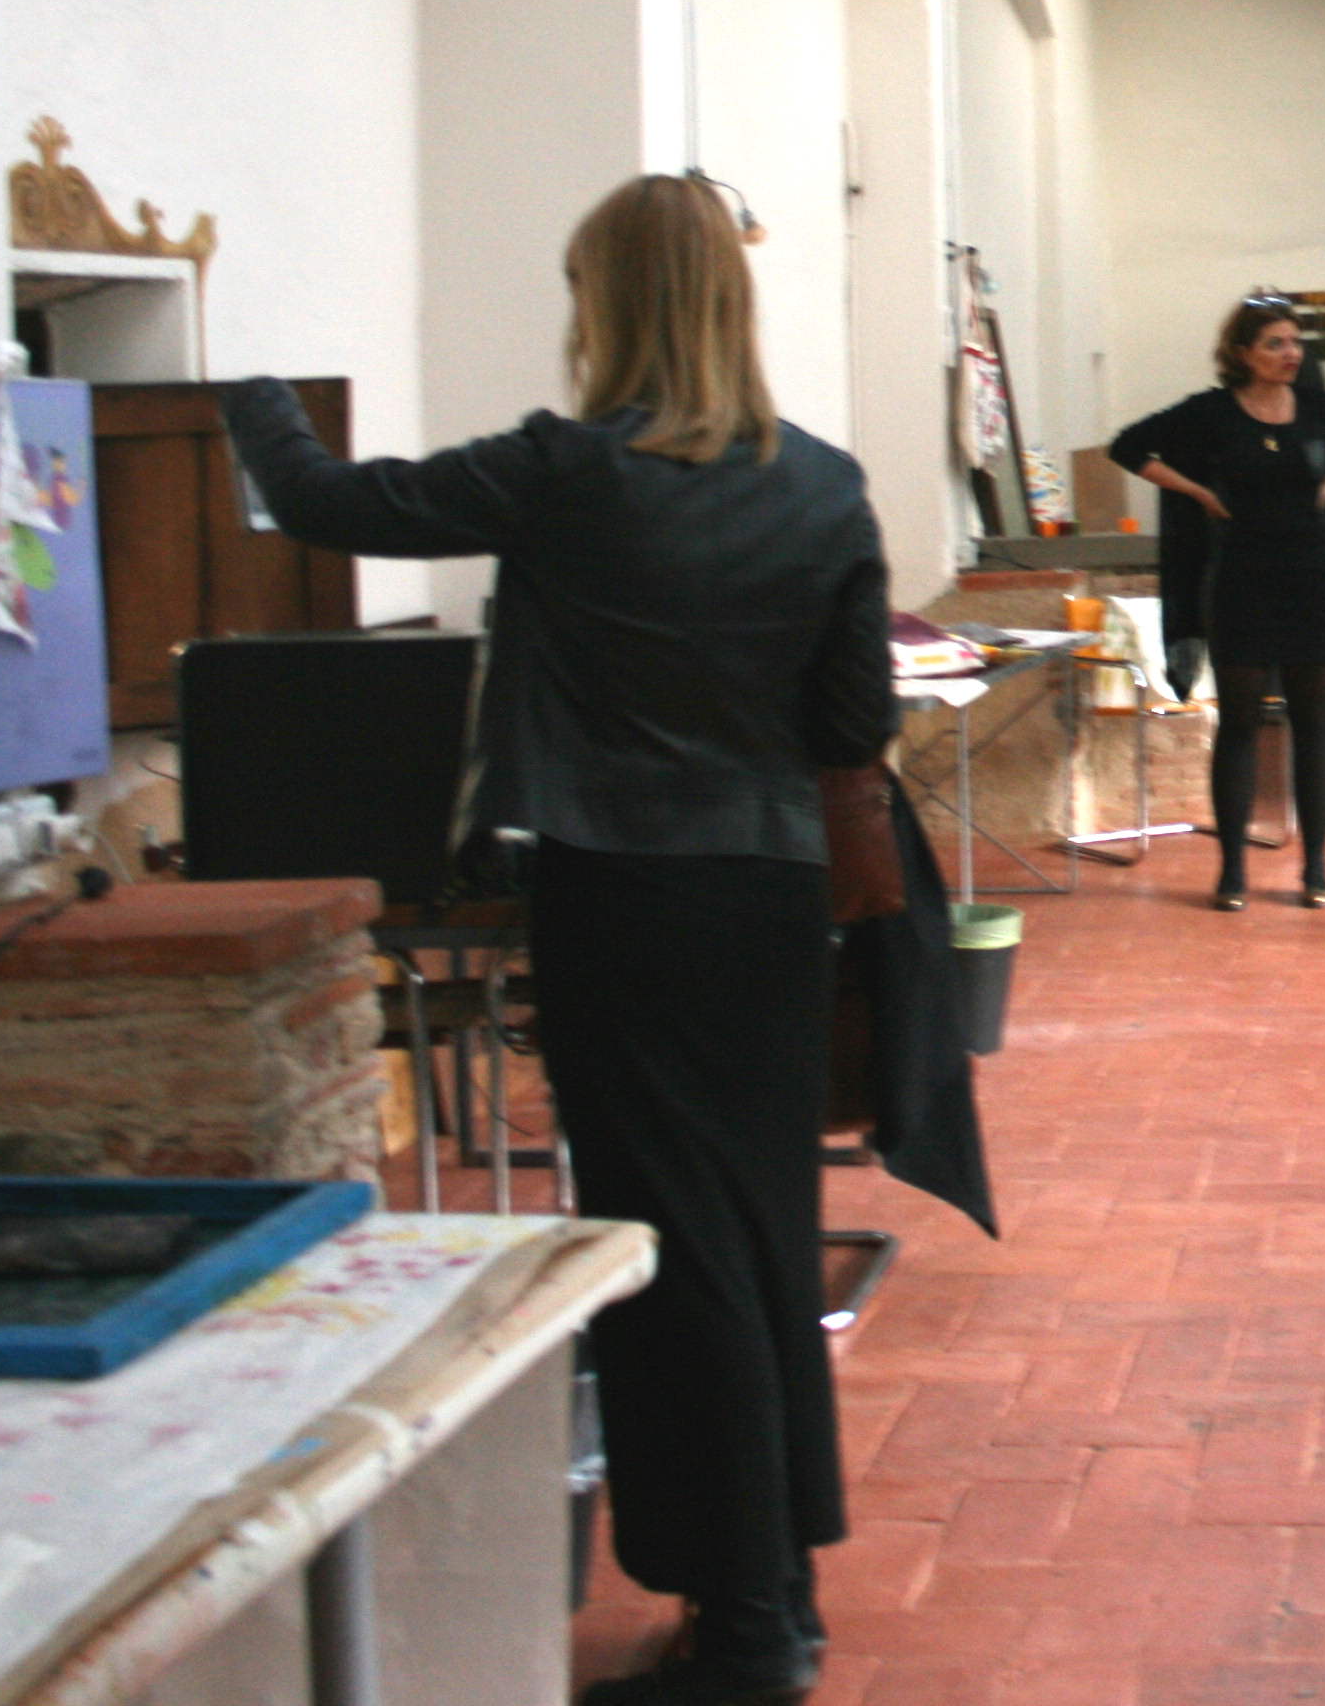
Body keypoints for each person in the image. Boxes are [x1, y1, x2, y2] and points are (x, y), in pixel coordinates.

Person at [221, 175, 889, 1706]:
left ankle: (749, 1633)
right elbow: (852, 719)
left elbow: (324, 503)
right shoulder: (825, 484)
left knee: (671, 1247)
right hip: (769, 902)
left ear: (614, 306)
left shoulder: (564, 472)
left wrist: (241, 378)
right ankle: (773, 1591)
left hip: (624, 895)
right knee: (758, 1232)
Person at [1109, 299, 1325, 909]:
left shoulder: (1315, 408)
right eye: (1275, 343)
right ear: (1242, 353)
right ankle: (1232, 868)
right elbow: (1128, 446)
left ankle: (1316, 867)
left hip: (1310, 580)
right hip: (1242, 582)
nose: (1291, 354)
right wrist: (1196, 491)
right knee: (1239, 724)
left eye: (1295, 342)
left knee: (1314, 725)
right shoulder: (1211, 412)